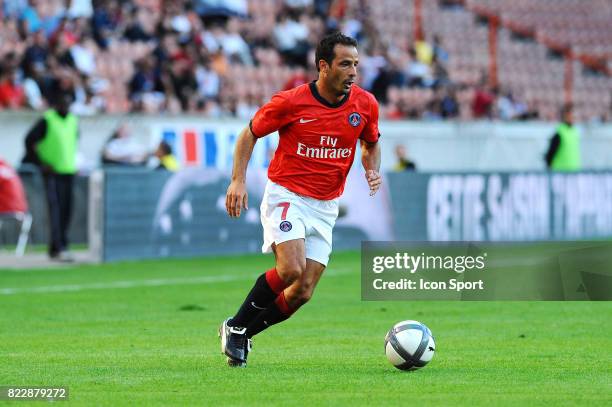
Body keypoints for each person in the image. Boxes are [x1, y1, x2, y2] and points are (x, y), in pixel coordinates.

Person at [219, 32, 382, 367]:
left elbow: (371, 142)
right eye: (345, 64)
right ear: (324, 66)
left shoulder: (365, 104)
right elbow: (249, 133)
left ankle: (243, 333)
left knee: (303, 291)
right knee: (291, 268)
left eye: (355, 64)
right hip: (287, 194)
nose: (353, 72)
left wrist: (370, 168)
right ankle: (235, 325)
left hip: (326, 206)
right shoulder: (291, 102)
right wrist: (238, 180)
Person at [22, 91, 78, 261]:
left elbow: (72, 143)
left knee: (67, 210)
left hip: (68, 171)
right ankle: (59, 246)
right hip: (53, 173)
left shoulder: (73, 120)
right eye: (62, 103)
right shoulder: (47, 120)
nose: (65, 106)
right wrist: (40, 163)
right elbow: (29, 141)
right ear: (57, 104)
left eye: (68, 103)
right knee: (56, 210)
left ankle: (59, 246)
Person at [545, 104, 581, 171]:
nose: (572, 117)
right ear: (564, 116)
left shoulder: (574, 131)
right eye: (570, 115)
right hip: (560, 173)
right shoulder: (559, 133)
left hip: (573, 172)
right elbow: (550, 154)